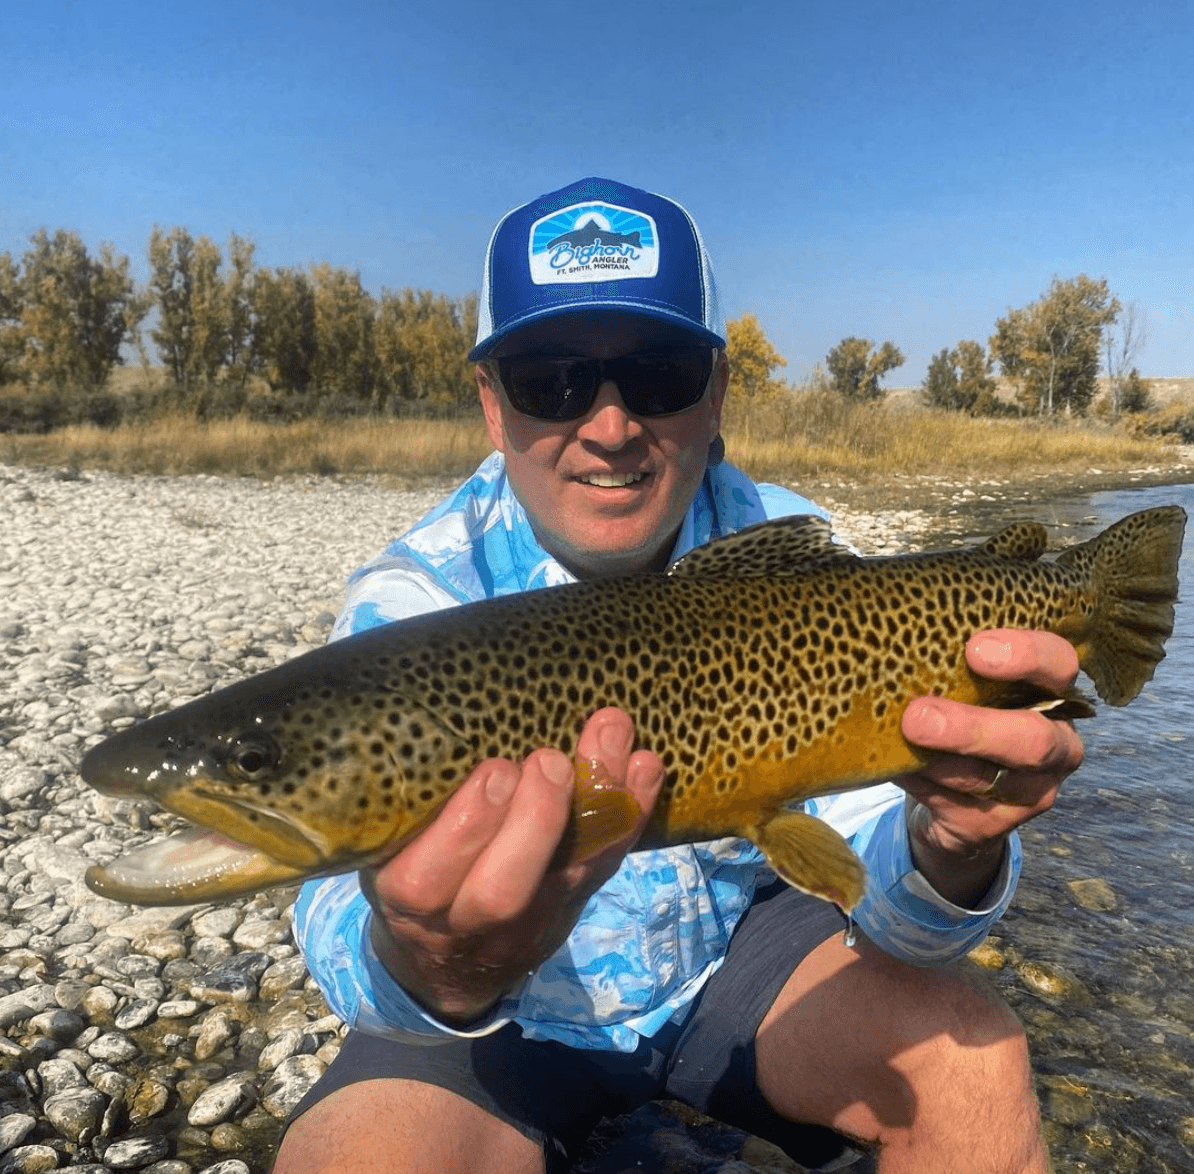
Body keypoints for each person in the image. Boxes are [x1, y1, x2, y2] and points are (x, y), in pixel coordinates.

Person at [274, 177, 1082, 1174]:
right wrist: (432, 960)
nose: (610, 427)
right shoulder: (418, 603)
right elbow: (335, 915)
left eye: (657, 374)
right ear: (490, 404)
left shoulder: (802, 565)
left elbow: (889, 896)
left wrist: (952, 845)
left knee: (980, 1066)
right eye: (550, 379)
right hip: (507, 1011)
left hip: (744, 966)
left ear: (717, 391)